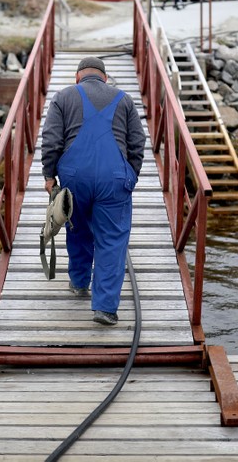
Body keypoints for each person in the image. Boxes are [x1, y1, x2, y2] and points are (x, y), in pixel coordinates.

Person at [41, 56, 146, 325]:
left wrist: (49, 175)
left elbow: (52, 139)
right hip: (114, 179)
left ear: (77, 77)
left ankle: (78, 283)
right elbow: (137, 141)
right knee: (111, 241)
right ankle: (105, 308)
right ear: (105, 77)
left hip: (75, 178)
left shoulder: (63, 97)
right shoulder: (124, 99)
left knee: (77, 229)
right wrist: (130, 175)